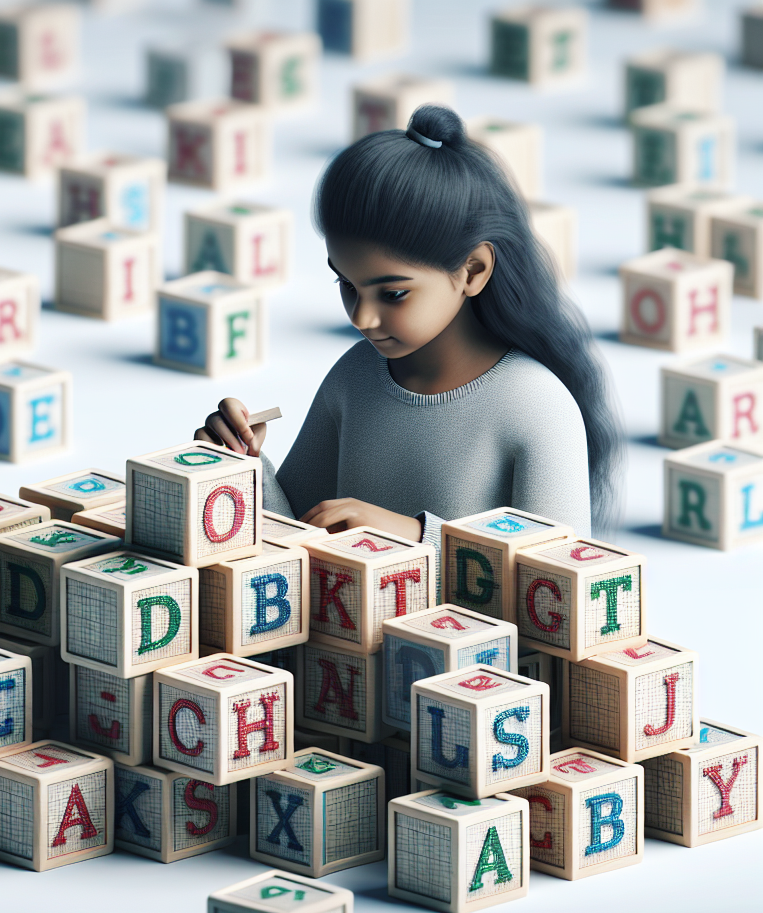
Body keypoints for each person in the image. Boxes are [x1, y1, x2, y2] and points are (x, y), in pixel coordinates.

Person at [195, 104, 622, 568]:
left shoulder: (537, 406)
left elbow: (561, 585)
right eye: (347, 285)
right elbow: (295, 537)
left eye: (393, 293)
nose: (362, 317)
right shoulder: (354, 376)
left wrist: (413, 535)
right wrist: (241, 470)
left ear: (473, 271)